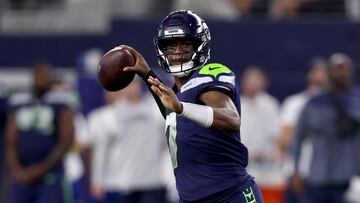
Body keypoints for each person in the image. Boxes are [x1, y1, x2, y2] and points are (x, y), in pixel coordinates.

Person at [120, 10, 264, 203]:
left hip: (230, 195)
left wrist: (180, 107)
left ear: (200, 45)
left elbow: (231, 119)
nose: (178, 51)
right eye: (171, 45)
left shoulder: (210, 75)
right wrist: (146, 74)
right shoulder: (177, 95)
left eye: (186, 44)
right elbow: (176, 115)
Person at [290, 53, 360, 203]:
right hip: (318, 177)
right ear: (329, 72)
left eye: (344, 69)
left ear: (351, 72)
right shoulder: (314, 103)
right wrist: (295, 170)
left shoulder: (358, 100)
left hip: (350, 178)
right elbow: (298, 137)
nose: (341, 73)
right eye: (337, 69)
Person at [87, 77, 171, 203]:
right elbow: (101, 151)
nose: (131, 88)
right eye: (127, 84)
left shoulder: (156, 111)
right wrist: (97, 180)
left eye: (134, 84)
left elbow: (168, 143)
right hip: (121, 182)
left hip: (153, 181)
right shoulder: (108, 116)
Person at [5, 62, 75, 203]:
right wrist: (17, 169)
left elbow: (66, 140)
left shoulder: (60, 102)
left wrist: (41, 169)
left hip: (50, 172)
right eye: (38, 75)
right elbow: (10, 140)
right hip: (22, 171)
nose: (41, 79)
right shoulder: (19, 102)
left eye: (44, 75)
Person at [278, 57, 329, 203]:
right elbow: (284, 141)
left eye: (323, 73)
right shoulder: (294, 103)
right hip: (296, 174)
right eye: (315, 71)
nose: (318, 76)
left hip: (324, 178)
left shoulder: (332, 108)